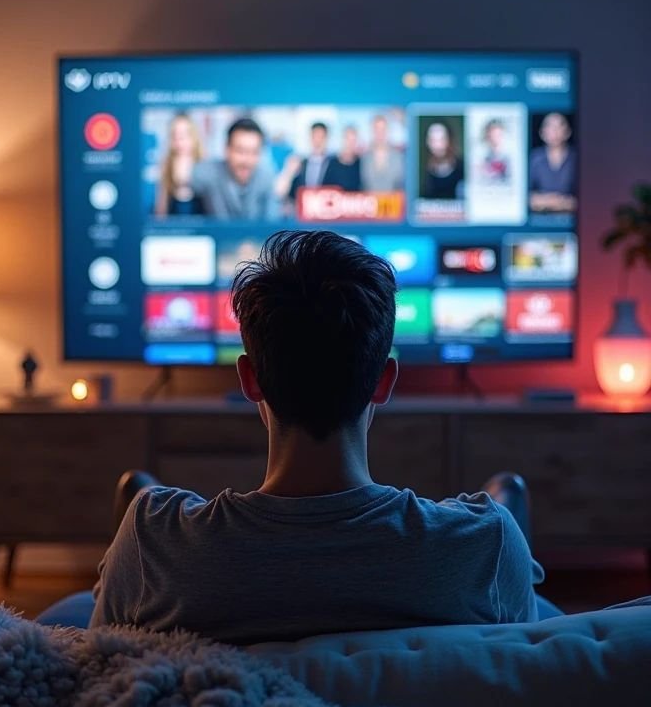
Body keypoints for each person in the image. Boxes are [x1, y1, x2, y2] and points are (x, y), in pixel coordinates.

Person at [90, 229, 544, 641]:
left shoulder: (152, 536)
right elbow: (527, 658)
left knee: (137, 497)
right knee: (508, 508)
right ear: (384, 381)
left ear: (249, 379)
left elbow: (97, 660)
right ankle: (505, 495)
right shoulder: (486, 542)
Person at [193, 118, 279, 220]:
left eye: (254, 152)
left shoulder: (266, 177)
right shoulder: (208, 173)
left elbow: (272, 222)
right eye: (240, 151)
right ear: (227, 150)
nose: (247, 160)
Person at [154, 113, 205, 216]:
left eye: (184, 135)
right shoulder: (167, 164)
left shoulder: (203, 163)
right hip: (174, 216)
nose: (180, 141)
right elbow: (161, 205)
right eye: (175, 136)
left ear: (194, 137)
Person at [274, 121, 334, 204]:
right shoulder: (300, 163)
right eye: (315, 136)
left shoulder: (334, 164)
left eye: (321, 137)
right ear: (310, 138)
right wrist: (289, 171)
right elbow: (280, 192)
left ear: (326, 138)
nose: (318, 141)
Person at [528, 112, 577, 213]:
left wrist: (562, 203)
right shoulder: (534, 159)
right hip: (540, 218)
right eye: (549, 126)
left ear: (568, 132)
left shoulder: (576, 159)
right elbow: (524, 196)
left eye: (559, 126)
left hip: (573, 218)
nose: (554, 131)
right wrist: (548, 201)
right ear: (542, 133)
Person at [360, 115, 405, 192]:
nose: (380, 133)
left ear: (388, 131)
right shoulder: (364, 157)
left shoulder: (398, 157)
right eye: (376, 129)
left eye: (383, 129)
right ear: (372, 131)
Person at [422, 120, 464, 199]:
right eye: (433, 140)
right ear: (427, 142)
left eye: (442, 139)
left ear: (449, 140)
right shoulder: (422, 172)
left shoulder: (463, 168)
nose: (438, 145)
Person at [322, 125, 362, 191]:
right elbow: (325, 188)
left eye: (353, 140)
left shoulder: (360, 163)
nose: (350, 143)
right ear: (342, 140)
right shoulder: (332, 163)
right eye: (347, 139)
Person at [478, 118, 510, 183]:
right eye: (492, 135)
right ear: (487, 136)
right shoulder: (482, 159)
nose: (495, 138)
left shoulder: (508, 159)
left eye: (498, 135)